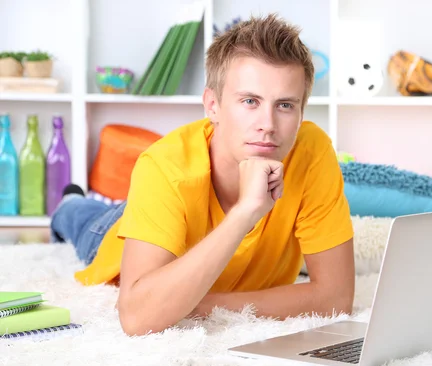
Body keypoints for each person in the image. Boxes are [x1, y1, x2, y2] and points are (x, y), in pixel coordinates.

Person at [50, 14, 355, 336]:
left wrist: (202, 304)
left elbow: (335, 298)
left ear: (302, 111)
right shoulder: (163, 165)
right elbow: (138, 318)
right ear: (213, 105)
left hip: (176, 229)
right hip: (110, 232)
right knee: (82, 217)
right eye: (250, 101)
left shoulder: (312, 151)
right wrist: (245, 213)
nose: (267, 123)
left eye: (285, 105)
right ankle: (70, 201)